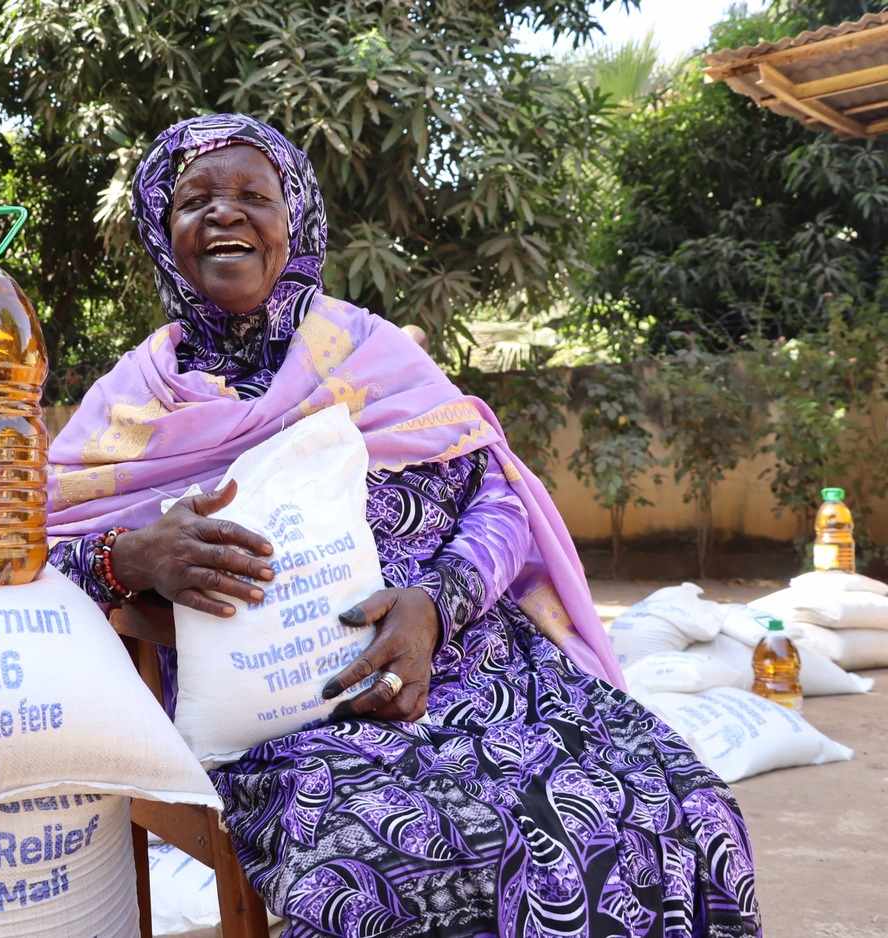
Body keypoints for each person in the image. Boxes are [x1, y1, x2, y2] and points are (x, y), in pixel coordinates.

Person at [47, 114, 760, 937]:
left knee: (685, 806)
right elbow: (25, 559)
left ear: (295, 220)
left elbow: (499, 498)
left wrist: (433, 607)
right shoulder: (133, 403)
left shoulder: (369, 352)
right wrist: (134, 555)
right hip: (293, 713)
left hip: (480, 667)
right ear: (160, 230)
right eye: (195, 199)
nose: (225, 212)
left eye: (254, 195)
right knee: (405, 858)